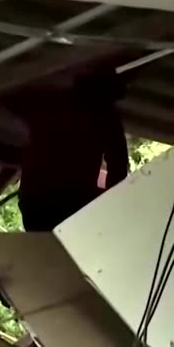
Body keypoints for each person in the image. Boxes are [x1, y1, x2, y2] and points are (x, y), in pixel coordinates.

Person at [12, 68, 129, 232]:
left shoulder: (52, 104)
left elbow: (118, 167)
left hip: (37, 201)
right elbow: (118, 165)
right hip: (64, 201)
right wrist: (107, 201)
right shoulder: (106, 117)